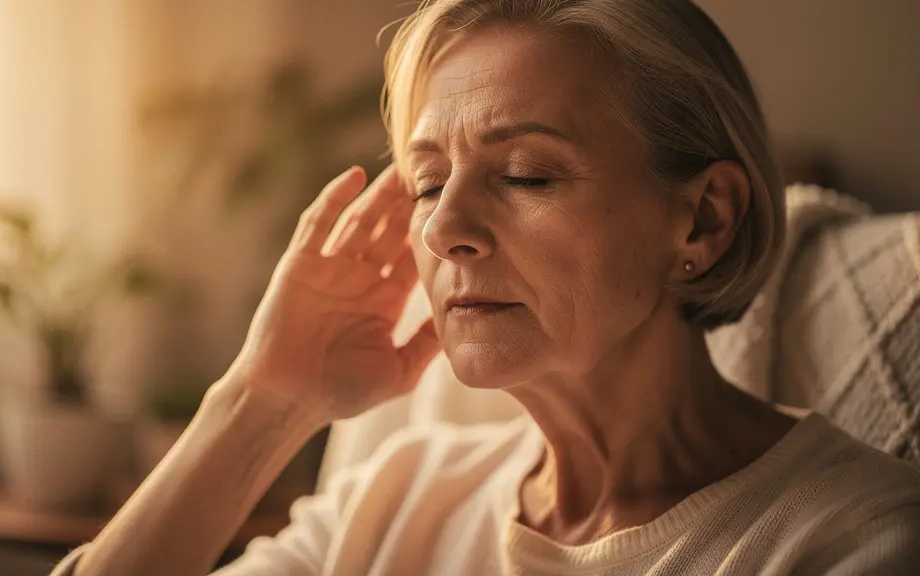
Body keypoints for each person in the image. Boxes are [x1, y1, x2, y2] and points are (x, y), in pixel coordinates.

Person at [54, 0, 920, 574]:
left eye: (529, 175)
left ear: (702, 220)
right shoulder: (398, 499)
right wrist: (265, 401)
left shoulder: (852, 541)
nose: (442, 228)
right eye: (428, 181)